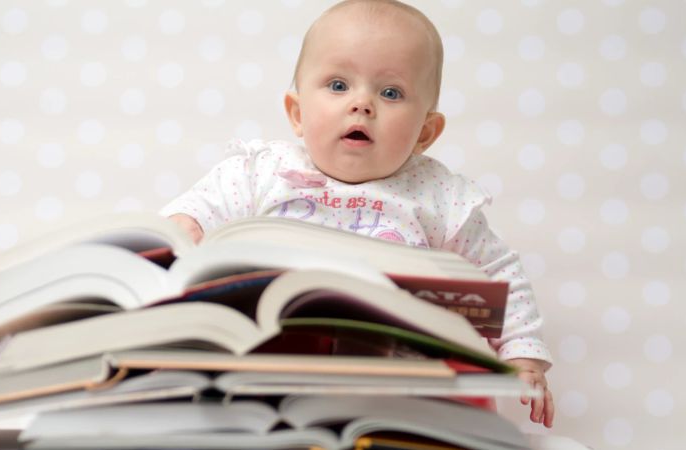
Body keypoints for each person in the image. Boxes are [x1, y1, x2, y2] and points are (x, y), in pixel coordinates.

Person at [161, 0, 554, 427]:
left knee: (443, 405)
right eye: (337, 85)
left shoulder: (439, 196)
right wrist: (186, 227)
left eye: (391, 92)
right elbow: (198, 210)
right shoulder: (262, 172)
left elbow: (497, 273)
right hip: (276, 360)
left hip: (397, 374)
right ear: (297, 112)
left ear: (425, 132)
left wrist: (522, 351)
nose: (362, 103)